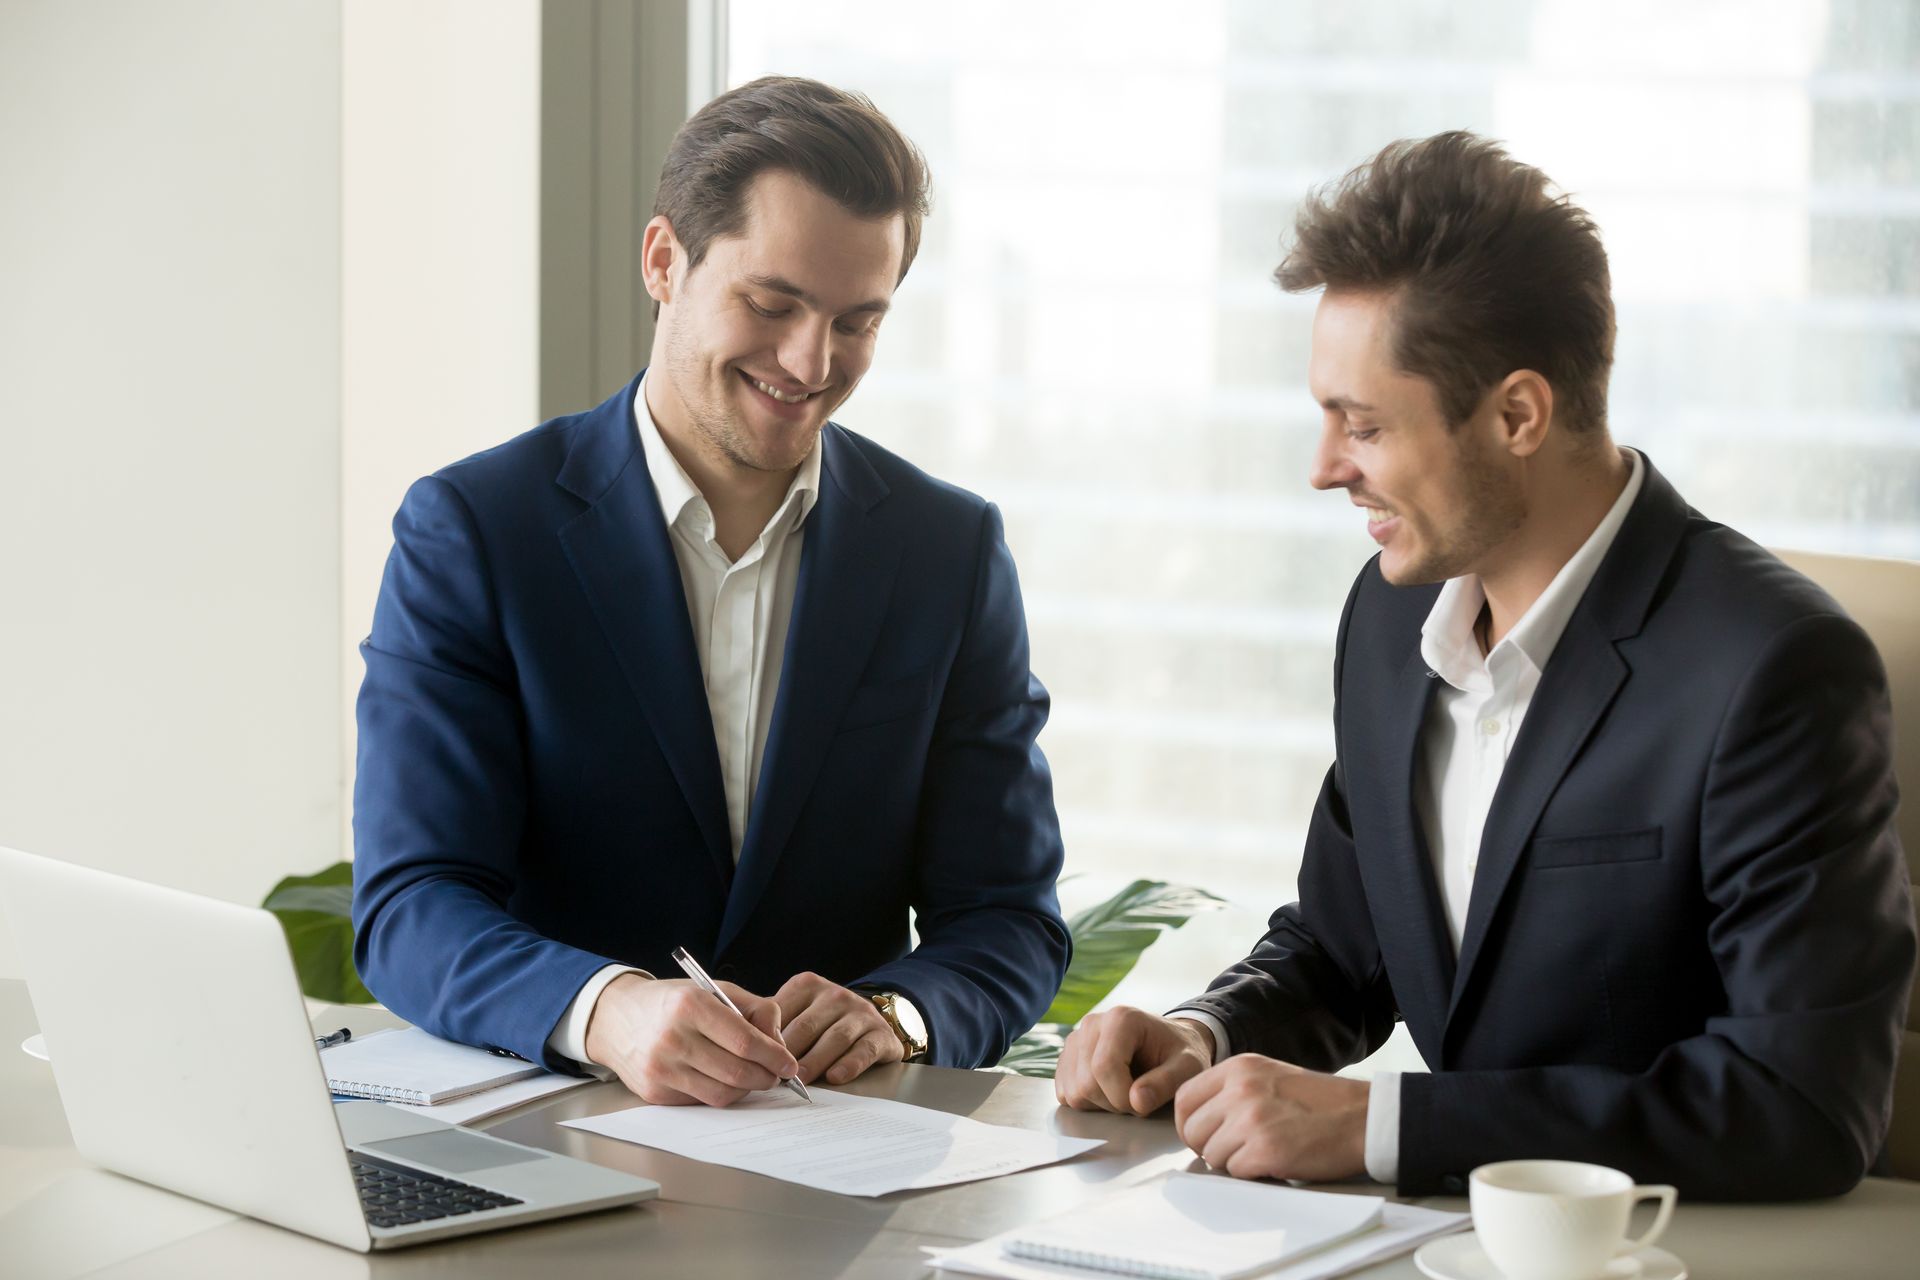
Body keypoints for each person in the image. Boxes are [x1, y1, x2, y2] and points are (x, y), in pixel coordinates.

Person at [1056, 131, 1915, 1199]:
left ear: (1518, 412)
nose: (1324, 470)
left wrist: (1391, 1127)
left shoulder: (1774, 669)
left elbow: (1800, 1104)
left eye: (1361, 425)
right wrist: (1207, 1028)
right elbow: (1343, 943)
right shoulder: (1387, 616)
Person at [352, 76, 1069, 1107]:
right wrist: (608, 1008)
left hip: (840, 1175)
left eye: (857, 322)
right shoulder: (474, 530)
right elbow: (412, 901)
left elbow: (1008, 915)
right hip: (553, 1144)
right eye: (771, 305)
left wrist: (899, 1013)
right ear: (662, 261)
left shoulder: (945, 551)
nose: (810, 362)